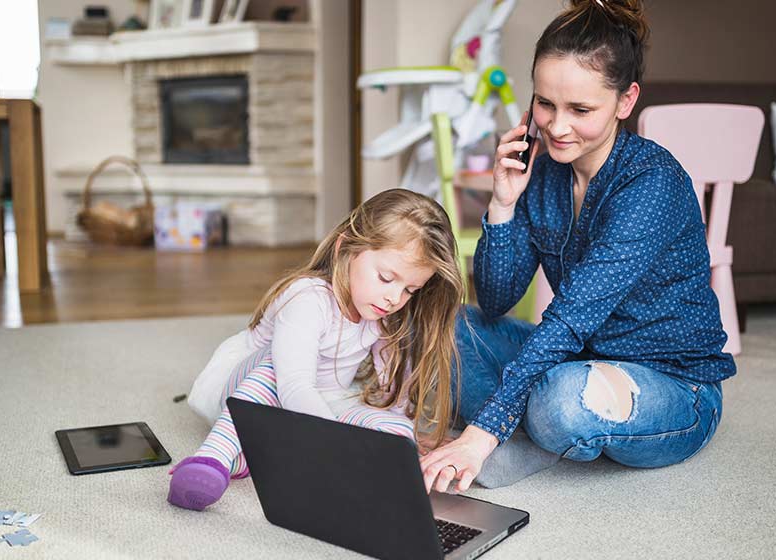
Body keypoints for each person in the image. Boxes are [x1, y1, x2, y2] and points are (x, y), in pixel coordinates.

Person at [420, 0, 736, 493]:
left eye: (581, 109)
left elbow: (569, 319)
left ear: (625, 101)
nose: (557, 126)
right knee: (448, 324)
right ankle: (523, 433)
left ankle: (508, 433)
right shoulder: (542, 173)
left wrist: (480, 434)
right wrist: (503, 203)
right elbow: (498, 300)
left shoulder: (651, 183)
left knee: (561, 402)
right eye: (545, 104)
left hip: (671, 382)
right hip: (578, 357)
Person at [168, 188, 464, 511]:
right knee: (272, 369)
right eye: (385, 277)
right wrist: (339, 444)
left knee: (396, 430)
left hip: (315, 407)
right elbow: (294, 387)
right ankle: (214, 457)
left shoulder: (381, 313)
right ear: (346, 249)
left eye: (410, 289)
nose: (395, 297)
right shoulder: (307, 299)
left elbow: (393, 395)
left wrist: (408, 439)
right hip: (250, 396)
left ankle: (251, 460)